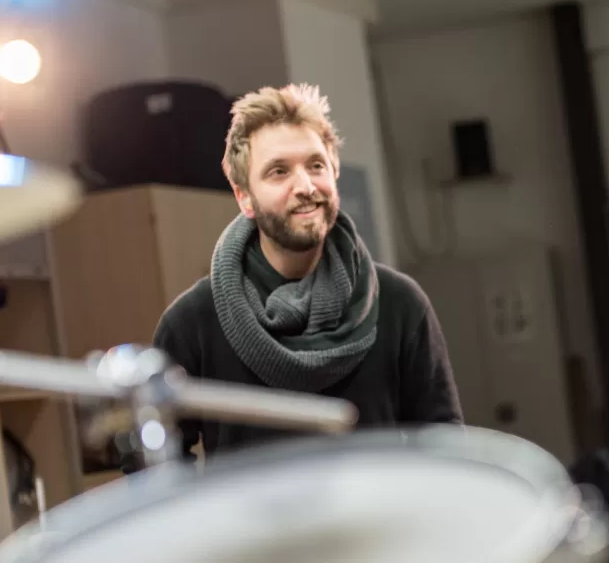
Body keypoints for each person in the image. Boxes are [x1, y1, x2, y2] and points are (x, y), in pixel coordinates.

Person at [152, 82, 462, 460]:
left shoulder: (400, 304)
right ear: (244, 197)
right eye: (279, 172)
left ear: (333, 172)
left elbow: (445, 451)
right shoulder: (193, 324)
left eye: (315, 165)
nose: (304, 186)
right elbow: (156, 468)